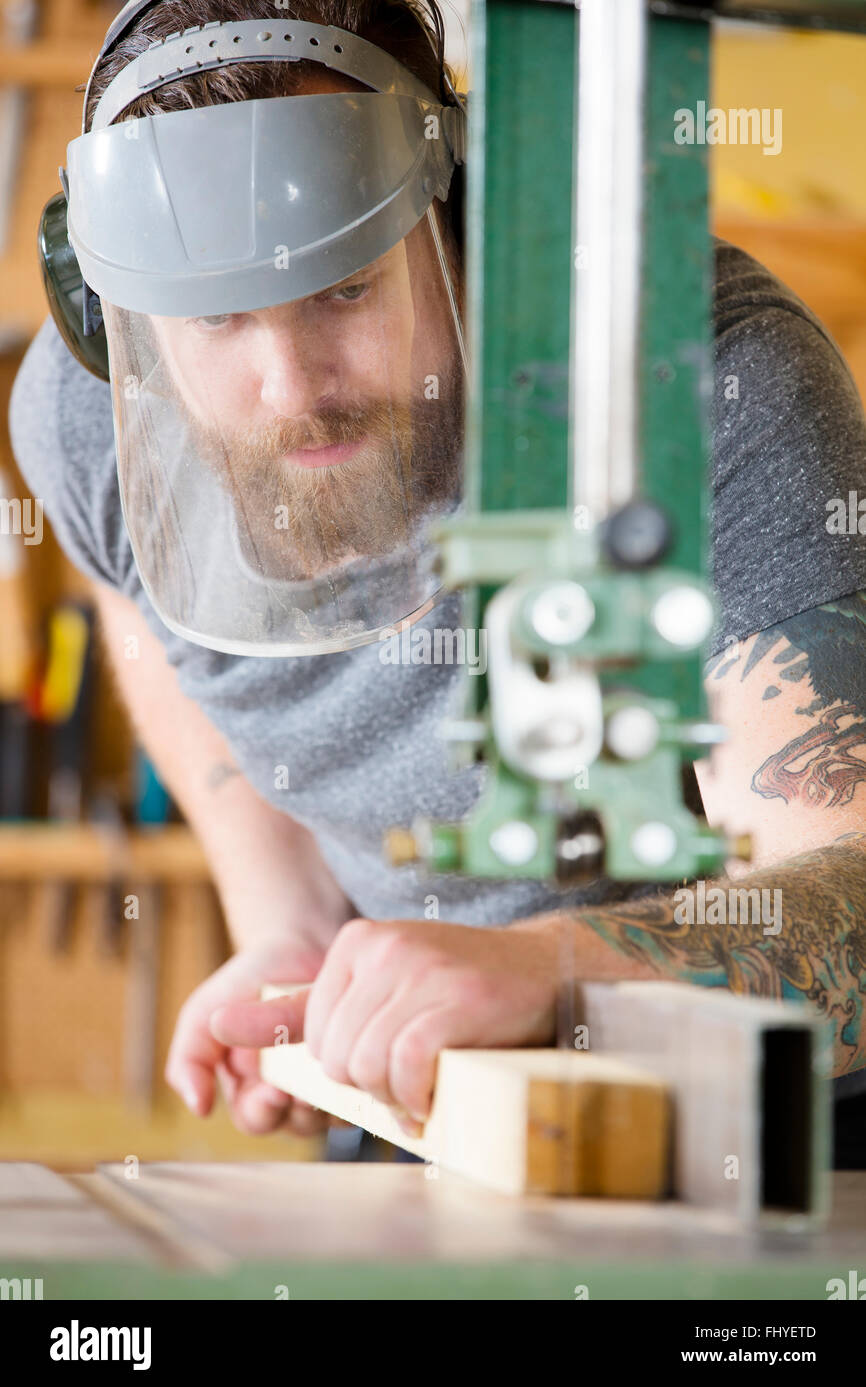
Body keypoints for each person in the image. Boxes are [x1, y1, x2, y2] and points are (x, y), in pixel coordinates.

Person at [10, 0, 866, 1165]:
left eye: (346, 288)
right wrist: (287, 925)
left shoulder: (700, 384)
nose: (292, 386)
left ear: (453, 211)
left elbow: (852, 897)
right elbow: (132, 605)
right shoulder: (84, 412)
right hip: (431, 1087)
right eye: (215, 320)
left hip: (761, 1097)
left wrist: (555, 972)